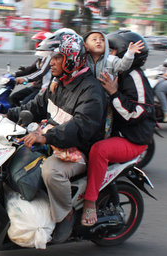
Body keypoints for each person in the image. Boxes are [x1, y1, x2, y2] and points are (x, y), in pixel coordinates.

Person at [7, 32, 107, 243]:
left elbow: (82, 127)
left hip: (79, 150)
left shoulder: (91, 90)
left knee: (51, 171)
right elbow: (35, 107)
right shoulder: (58, 82)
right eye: (50, 58)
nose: (50, 63)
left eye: (56, 58)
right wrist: (7, 114)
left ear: (70, 58)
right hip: (54, 141)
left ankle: (65, 216)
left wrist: (47, 137)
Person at [82, 31, 156, 226]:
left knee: (99, 150)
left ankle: (89, 202)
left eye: (112, 50)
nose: (109, 54)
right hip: (115, 130)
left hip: (132, 138)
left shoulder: (134, 76)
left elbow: (137, 113)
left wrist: (114, 94)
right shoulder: (111, 72)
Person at [10, 32, 54, 107]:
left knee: (25, 104)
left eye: (39, 42)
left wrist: (25, 79)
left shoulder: (49, 57)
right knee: (13, 98)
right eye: (37, 42)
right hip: (35, 87)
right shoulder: (41, 58)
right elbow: (30, 69)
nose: (36, 44)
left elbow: (41, 72)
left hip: (43, 88)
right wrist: (14, 74)